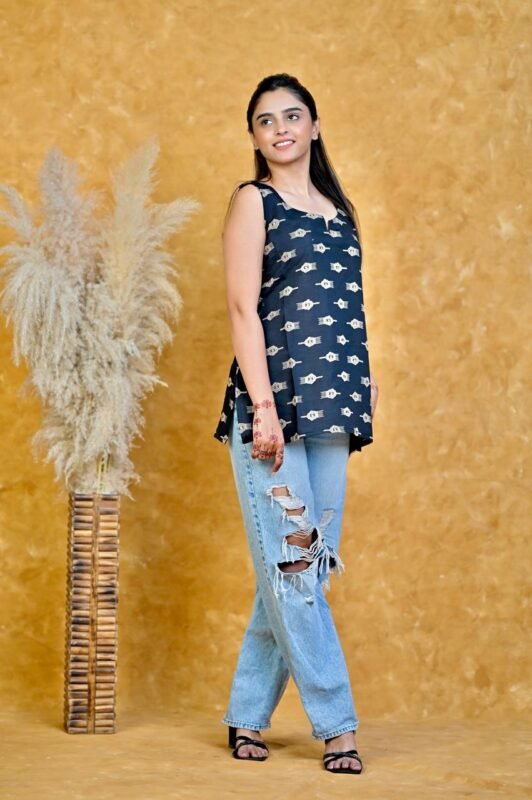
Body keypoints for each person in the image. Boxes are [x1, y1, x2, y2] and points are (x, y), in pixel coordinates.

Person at [213, 72, 379, 775]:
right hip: (272, 411)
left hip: (334, 410)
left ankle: (247, 714)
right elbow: (242, 309)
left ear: (314, 125)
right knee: (295, 571)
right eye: (265, 120)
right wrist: (263, 408)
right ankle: (337, 725)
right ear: (254, 137)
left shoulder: (340, 213)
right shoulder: (254, 201)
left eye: (291, 115)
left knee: (302, 571)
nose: (279, 128)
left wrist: (361, 389)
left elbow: (344, 311)